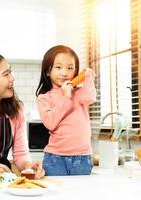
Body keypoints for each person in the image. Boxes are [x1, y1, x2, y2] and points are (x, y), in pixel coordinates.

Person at [35, 45, 96, 176]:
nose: (64, 72)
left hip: (83, 157)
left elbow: (90, 97)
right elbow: (50, 123)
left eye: (70, 68)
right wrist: (65, 97)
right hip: (55, 158)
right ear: (47, 71)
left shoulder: (79, 93)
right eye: (58, 67)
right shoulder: (44, 98)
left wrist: (88, 78)